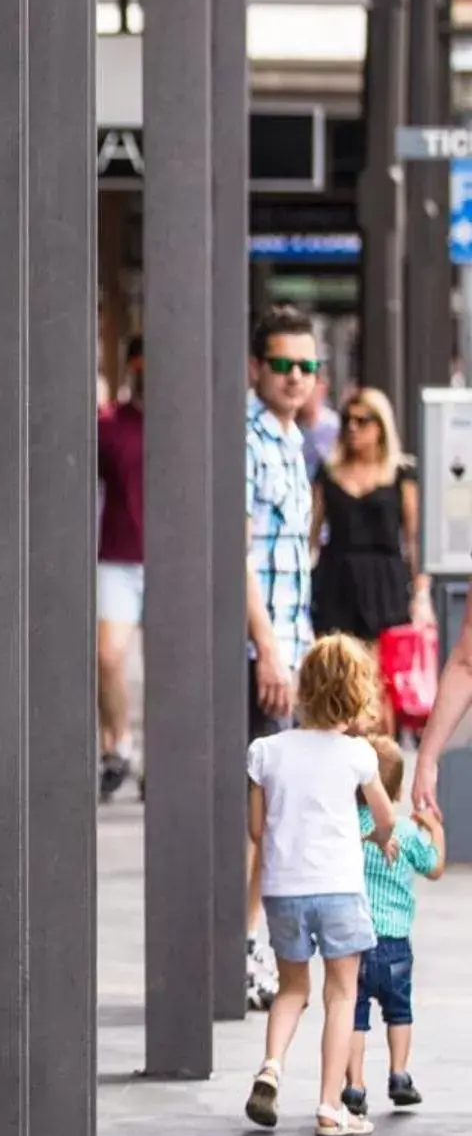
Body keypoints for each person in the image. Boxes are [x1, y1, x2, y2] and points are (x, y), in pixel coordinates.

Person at [242, 636, 393, 1136]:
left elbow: (258, 832)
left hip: (283, 889)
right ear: (356, 695)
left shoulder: (266, 752)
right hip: (339, 889)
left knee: (291, 989)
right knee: (341, 994)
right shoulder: (358, 756)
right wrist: (380, 837)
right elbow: (385, 815)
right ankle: (331, 1107)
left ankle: (270, 1067)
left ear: (304, 689)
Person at [244, 305, 323, 1011]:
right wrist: (268, 650)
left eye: (308, 366)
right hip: (256, 653)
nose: (296, 377)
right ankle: (244, 945)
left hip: (288, 650)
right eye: (283, 365)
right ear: (255, 368)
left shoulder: (292, 439)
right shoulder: (249, 439)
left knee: (274, 810)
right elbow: (240, 552)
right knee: (259, 811)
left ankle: (249, 939)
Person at [343, 735, 441, 1119]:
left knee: (354, 1014)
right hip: (397, 944)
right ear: (398, 789)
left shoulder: (347, 827)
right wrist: (434, 827)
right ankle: (399, 1074)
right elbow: (434, 866)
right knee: (399, 1012)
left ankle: (354, 1084)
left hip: (354, 941)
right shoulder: (405, 830)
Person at [311, 387, 429, 656]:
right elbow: (311, 533)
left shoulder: (400, 473)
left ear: (381, 426)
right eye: (347, 420)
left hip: (385, 582)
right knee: (338, 665)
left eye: (362, 420)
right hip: (337, 579)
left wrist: (421, 593)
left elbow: (413, 537)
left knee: (384, 673)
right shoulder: (328, 472)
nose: (352, 428)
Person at [96, 338, 146, 802]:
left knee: (171, 666)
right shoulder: (109, 424)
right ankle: (118, 747)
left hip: (174, 561)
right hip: (117, 558)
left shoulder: (186, 420)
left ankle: (160, 759)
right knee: (108, 656)